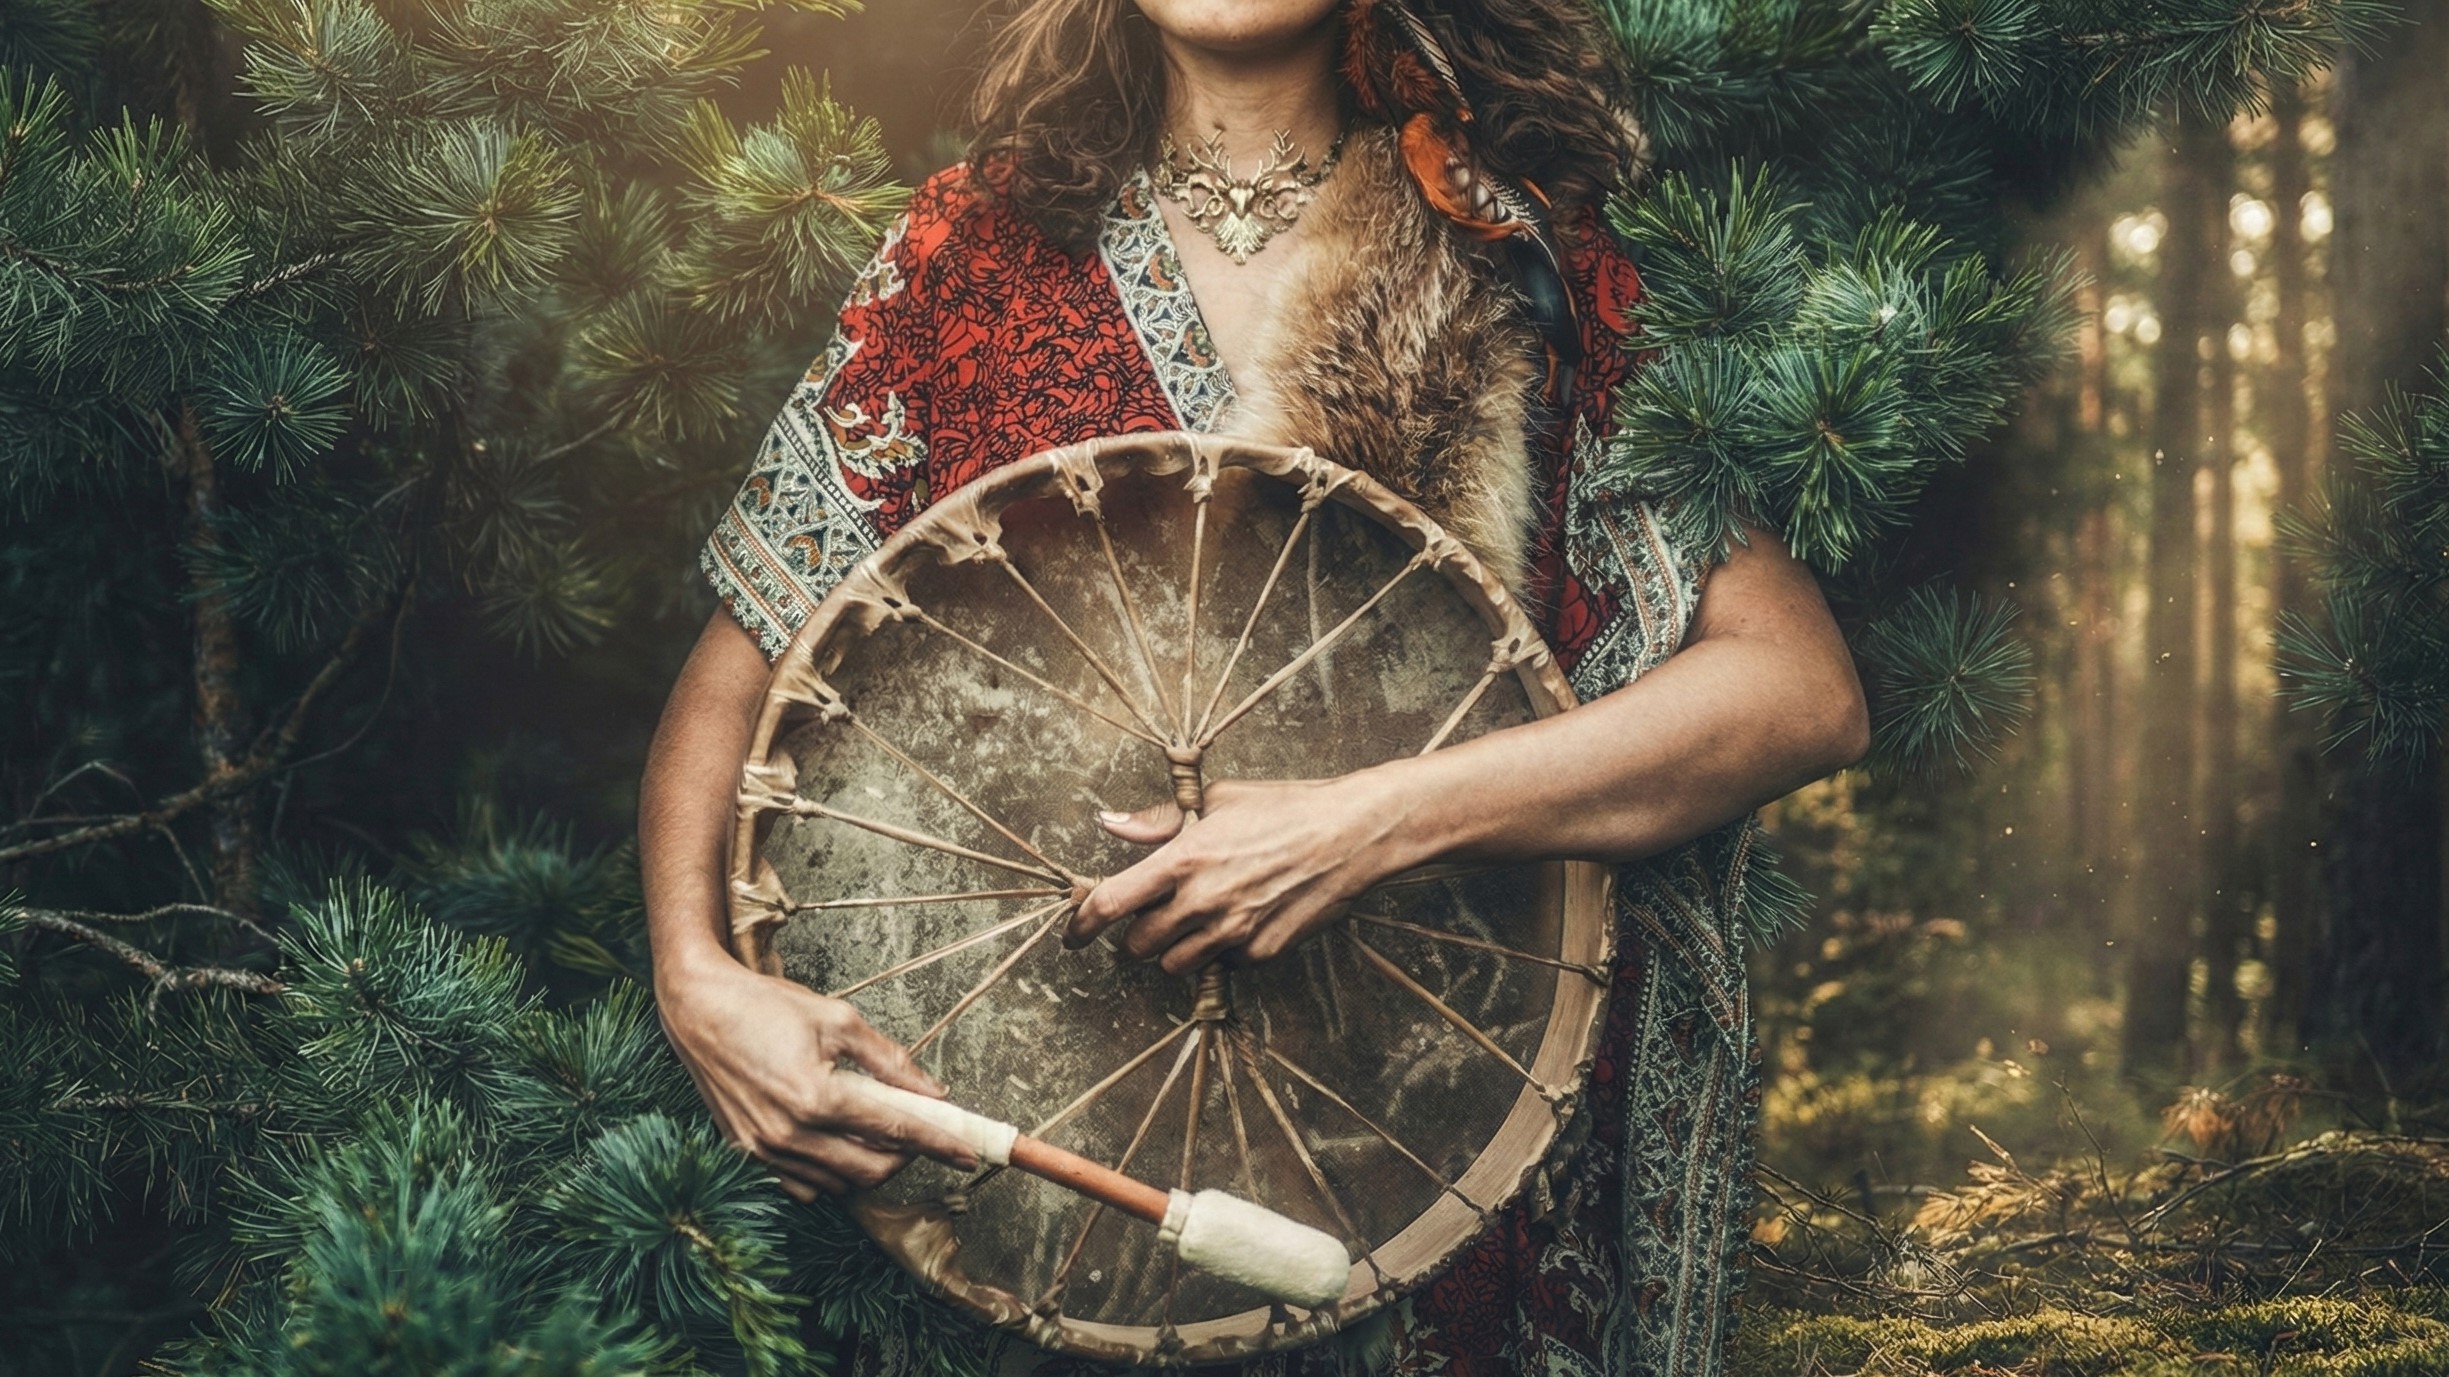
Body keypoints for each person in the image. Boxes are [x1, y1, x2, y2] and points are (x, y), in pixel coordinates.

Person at [639, 0, 1868, 1372]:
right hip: (1044, 1199)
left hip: (1444, 1147)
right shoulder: (967, 256)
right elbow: (741, 668)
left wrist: (1367, 821)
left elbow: (1794, 686)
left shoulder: (1516, 249)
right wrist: (698, 978)